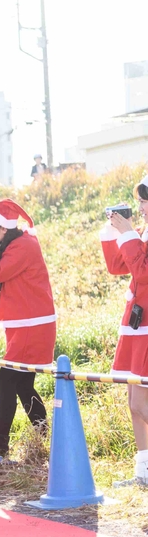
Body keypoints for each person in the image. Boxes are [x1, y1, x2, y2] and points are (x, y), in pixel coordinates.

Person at [0, 199, 55, 456]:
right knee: (22, 383)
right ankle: (42, 434)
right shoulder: (17, 242)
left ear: (3, 229)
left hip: (31, 323)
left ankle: (1, 442)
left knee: (6, 379)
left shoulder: (23, 245)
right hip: (26, 321)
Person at [102, 175, 148, 486]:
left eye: (145, 200)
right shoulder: (143, 231)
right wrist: (116, 231)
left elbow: (144, 275)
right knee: (134, 403)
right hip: (137, 323)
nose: (141, 206)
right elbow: (118, 266)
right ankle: (143, 471)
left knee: (140, 403)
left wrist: (129, 234)